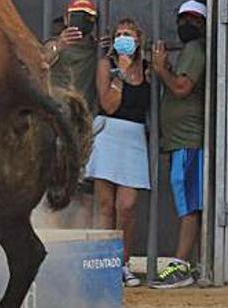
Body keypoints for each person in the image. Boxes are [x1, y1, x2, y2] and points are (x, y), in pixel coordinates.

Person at [87, 17, 152, 287]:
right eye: (119, 34)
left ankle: (123, 262)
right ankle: (105, 263)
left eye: (129, 34)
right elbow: (108, 104)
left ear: (138, 39)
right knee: (105, 206)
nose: (123, 38)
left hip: (134, 137)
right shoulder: (107, 65)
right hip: (108, 133)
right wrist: (121, 76)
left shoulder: (146, 68)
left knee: (127, 205)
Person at [150, 0, 208, 289]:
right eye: (183, 18)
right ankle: (193, 263)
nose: (186, 24)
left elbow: (182, 88)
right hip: (180, 141)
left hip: (188, 140)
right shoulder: (190, 51)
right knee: (190, 201)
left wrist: (161, 69)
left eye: (194, 19)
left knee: (188, 204)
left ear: (204, 24)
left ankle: (181, 265)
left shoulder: (195, 49)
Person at [44, 0, 101, 113]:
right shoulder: (54, 43)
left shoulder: (97, 48)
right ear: (66, 19)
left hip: (83, 115)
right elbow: (41, 62)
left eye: (86, 16)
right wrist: (59, 46)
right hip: (56, 112)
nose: (81, 21)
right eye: (76, 16)